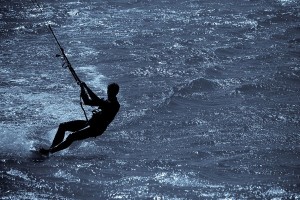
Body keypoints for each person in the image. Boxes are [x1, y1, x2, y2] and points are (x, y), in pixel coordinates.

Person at [39, 82, 120, 156]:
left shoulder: (115, 105)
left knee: (72, 136)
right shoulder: (106, 101)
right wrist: (82, 89)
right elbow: (87, 101)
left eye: (111, 92)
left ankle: (50, 152)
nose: (109, 93)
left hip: (96, 129)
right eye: (109, 91)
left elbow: (96, 100)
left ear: (115, 93)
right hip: (89, 123)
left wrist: (86, 87)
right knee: (63, 126)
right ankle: (52, 148)